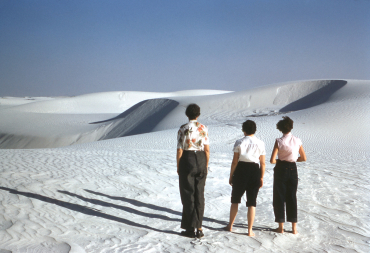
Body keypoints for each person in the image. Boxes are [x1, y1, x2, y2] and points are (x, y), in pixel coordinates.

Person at [225, 120, 266, 236]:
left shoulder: (239, 142)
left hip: (241, 170)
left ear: (244, 130)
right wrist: (261, 177)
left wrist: (231, 175)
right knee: (252, 202)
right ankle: (249, 230)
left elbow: (234, 162)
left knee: (235, 200)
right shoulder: (261, 143)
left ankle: (230, 225)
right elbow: (263, 163)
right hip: (255, 170)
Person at [177, 103, 210, 238]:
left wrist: (178, 166)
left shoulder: (183, 129)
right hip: (201, 159)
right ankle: (200, 227)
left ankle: (190, 229)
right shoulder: (204, 128)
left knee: (188, 194)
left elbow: (180, 149)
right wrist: (206, 165)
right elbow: (207, 150)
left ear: (187, 114)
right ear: (198, 114)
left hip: (187, 158)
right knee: (199, 194)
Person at [270, 116, 307, 234]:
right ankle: (294, 228)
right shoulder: (297, 140)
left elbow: (272, 160)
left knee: (279, 196)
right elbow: (304, 158)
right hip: (293, 168)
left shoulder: (279, 141)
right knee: (292, 196)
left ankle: (281, 227)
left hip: (281, 168)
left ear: (280, 128)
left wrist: (280, 160)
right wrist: (294, 159)